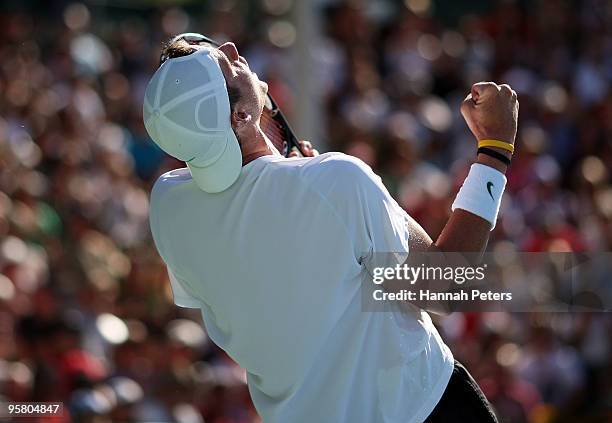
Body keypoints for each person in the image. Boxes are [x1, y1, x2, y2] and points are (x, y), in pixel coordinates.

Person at [143, 35, 518, 423]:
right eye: (228, 65)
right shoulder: (335, 181)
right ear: (239, 117)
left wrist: (311, 182)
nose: (234, 50)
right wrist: (495, 149)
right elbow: (445, 286)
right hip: (427, 410)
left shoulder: (167, 207)